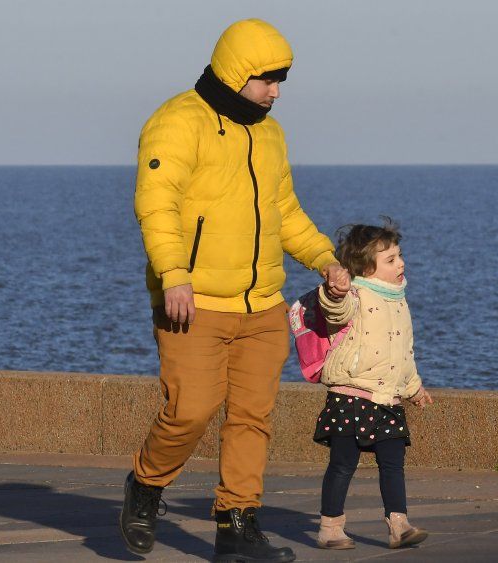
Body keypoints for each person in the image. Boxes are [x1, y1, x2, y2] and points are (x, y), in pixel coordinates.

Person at [119, 19, 349, 563]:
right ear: (236, 72)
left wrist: (324, 259)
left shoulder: (269, 133)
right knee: (190, 411)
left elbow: (284, 212)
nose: (276, 91)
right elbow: (156, 204)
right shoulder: (177, 122)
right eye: (268, 80)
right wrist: (174, 275)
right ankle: (146, 486)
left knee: (252, 419)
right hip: (194, 302)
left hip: (262, 305)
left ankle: (237, 524)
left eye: (281, 80)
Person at [310, 219, 433, 550]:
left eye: (400, 255)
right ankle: (330, 527)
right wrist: (334, 292)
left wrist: (413, 388)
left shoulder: (399, 300)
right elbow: (335, 311)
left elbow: (403, 354)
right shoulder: (355, 295)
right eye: (391, 260)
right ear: (366, 268)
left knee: (393, 464)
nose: (401, 263)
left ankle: (399, 525)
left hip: (388, 399)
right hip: (351, 396)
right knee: (342, 464)